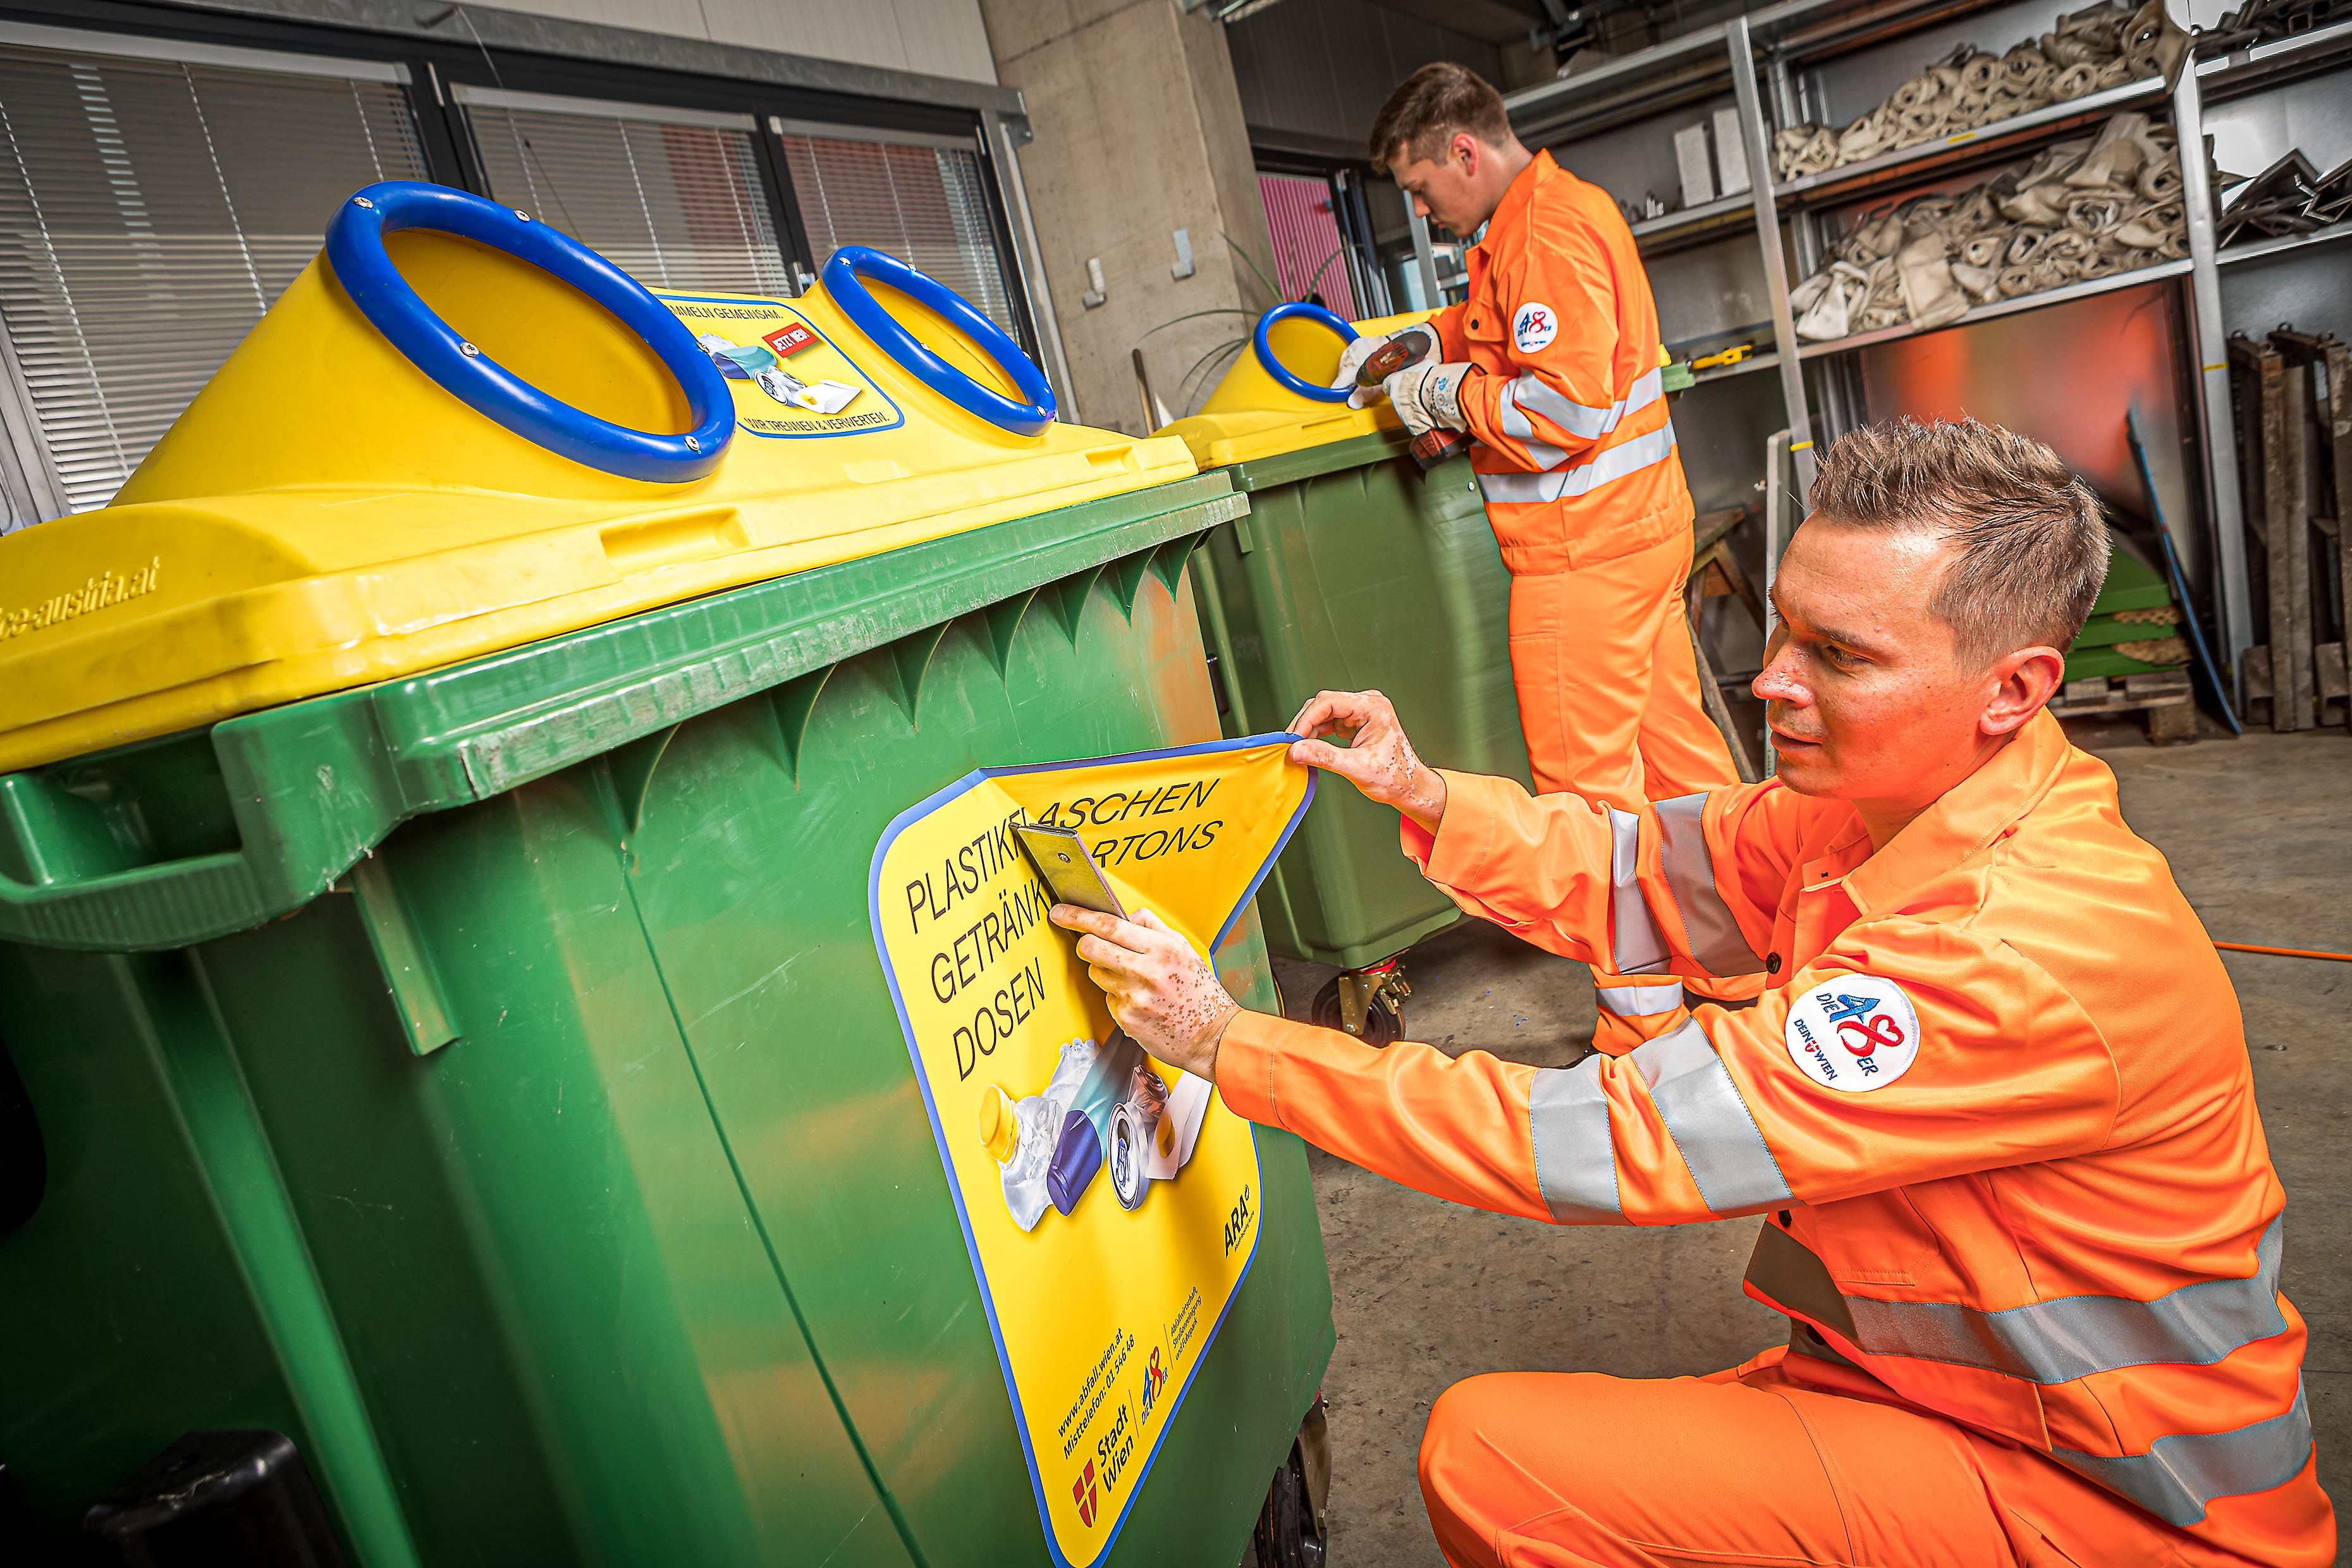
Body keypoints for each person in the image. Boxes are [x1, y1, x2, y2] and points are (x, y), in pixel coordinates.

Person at [1051, 420, 2332, 1567]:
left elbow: (1612, 1138)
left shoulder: (2014, 952)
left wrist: (1230, 1043)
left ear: (2014, 690)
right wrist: (1427, 796)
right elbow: (1642, 871)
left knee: (1494, 1466)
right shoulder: (1883, 806)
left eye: (1841, 655)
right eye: (1786, 627)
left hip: (2117, 1502)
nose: (1771, 680)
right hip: (1960, 1400)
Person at [1335, 61, 1748, 1053]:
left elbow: (1560, 411)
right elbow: (1503, 333)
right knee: (1679, 772)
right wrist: (1416, 340)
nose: (1423, 211)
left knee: (1591, 802)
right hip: (1637, 539)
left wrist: (1442, 397)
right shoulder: (1548, 217)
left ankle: (1642, 1026)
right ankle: (1736, 968)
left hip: (1580, 561)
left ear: (1462, 151)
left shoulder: (1543, 234)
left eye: (1421, 187)